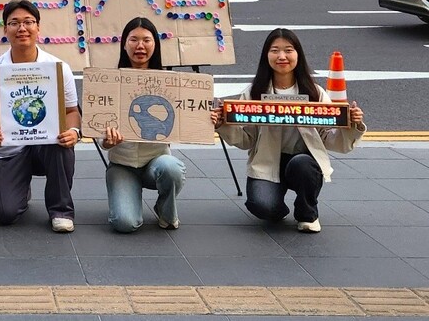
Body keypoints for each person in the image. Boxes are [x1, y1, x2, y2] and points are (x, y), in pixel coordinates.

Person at [212, 28, 366, 233]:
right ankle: (278, 203)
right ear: (266, 55)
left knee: (301, 164)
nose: (282, 56)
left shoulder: (314, 92)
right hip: (267, 163)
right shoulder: (254, 92)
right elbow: (247, 140)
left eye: (288, 50)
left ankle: (307, 212)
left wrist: (353, 125)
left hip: (303, 163)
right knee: (263, 207)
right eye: (275, 50)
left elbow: (330, 139)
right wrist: (223, 124)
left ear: (298, 55)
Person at [0, 0, 81, 233]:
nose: (22, 28)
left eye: (28, 22)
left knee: (62, 142)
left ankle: (61, 210)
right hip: (10, 149)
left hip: (47, 145)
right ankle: (20, 187)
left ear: (38, 28)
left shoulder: (58, 68)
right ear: (5, 30)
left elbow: (72, 112)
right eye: (14, 23)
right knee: (3, 213)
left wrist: (73, 132)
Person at [101, 17, 186, 233]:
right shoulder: (108, 82)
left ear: (155, 45)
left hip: (155, 161)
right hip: (122, 165)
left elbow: (188, 118)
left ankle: (165, 210)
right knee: (125, 224)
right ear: (124, 44)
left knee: (171, 167)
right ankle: (125, 194)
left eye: (146, 40)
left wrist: (208, 121)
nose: (140, 46)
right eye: (133, 40)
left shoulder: (170, 81)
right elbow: (99, 132)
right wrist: (108, 142)